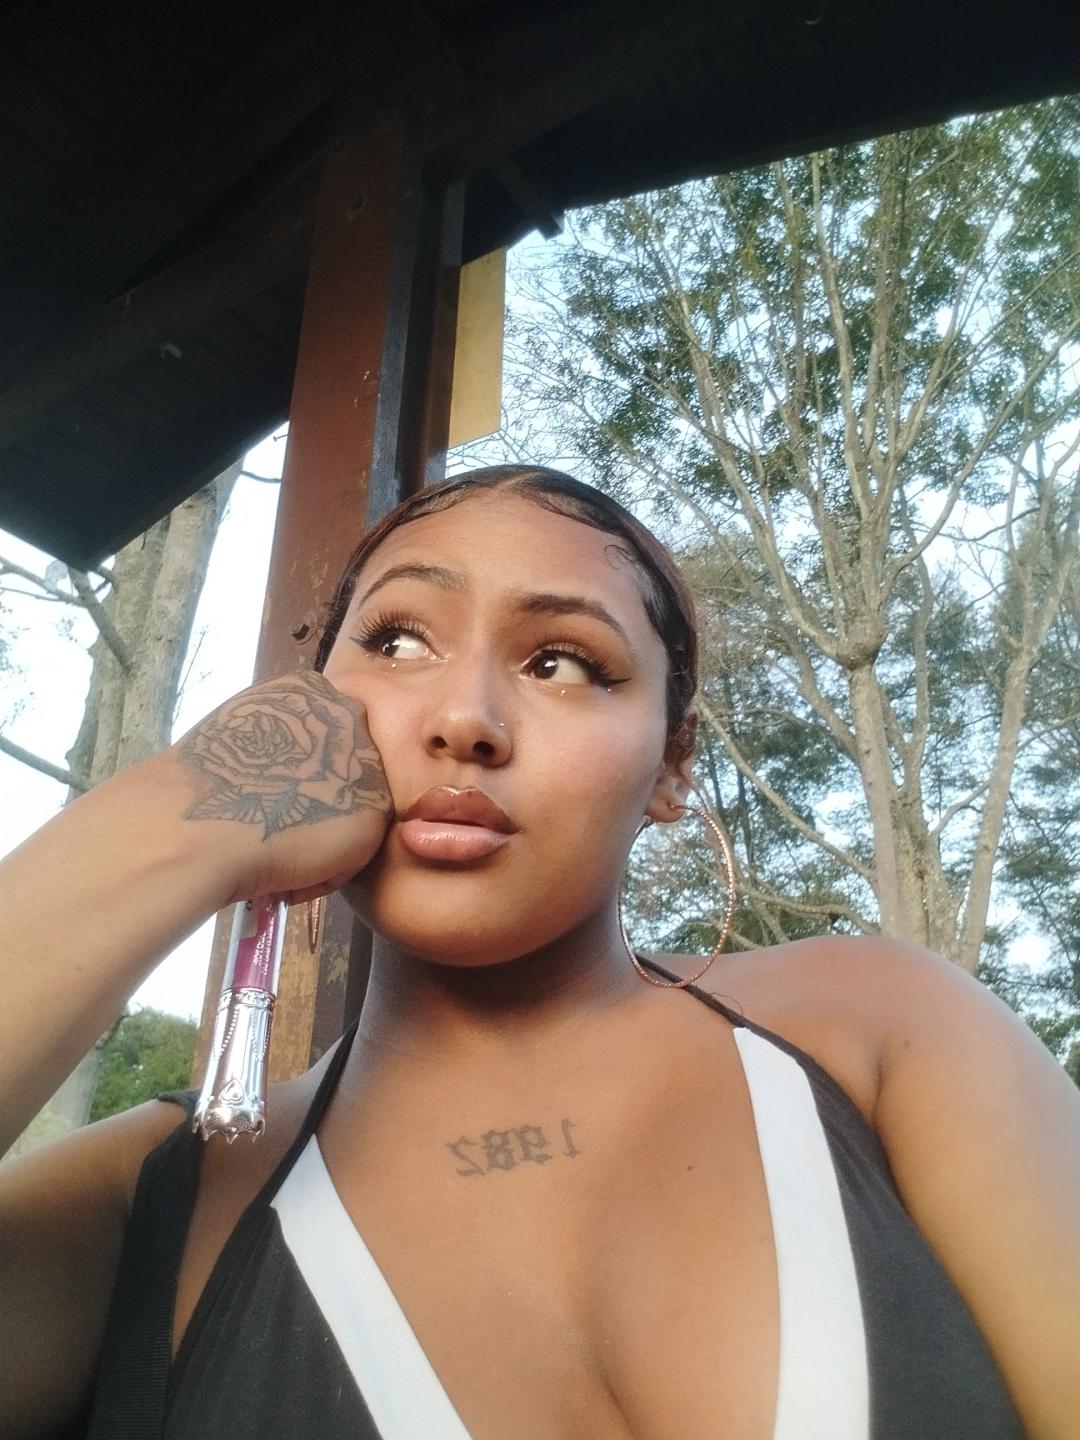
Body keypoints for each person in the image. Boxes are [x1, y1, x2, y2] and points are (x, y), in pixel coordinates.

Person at [0, 465, 1077, 1440]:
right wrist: (183, 814)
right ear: (309, 700)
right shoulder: (154, 1198)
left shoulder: (880, 1031)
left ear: (672, 764)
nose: (464, 718)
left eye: (562, 662)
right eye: (398, 642)